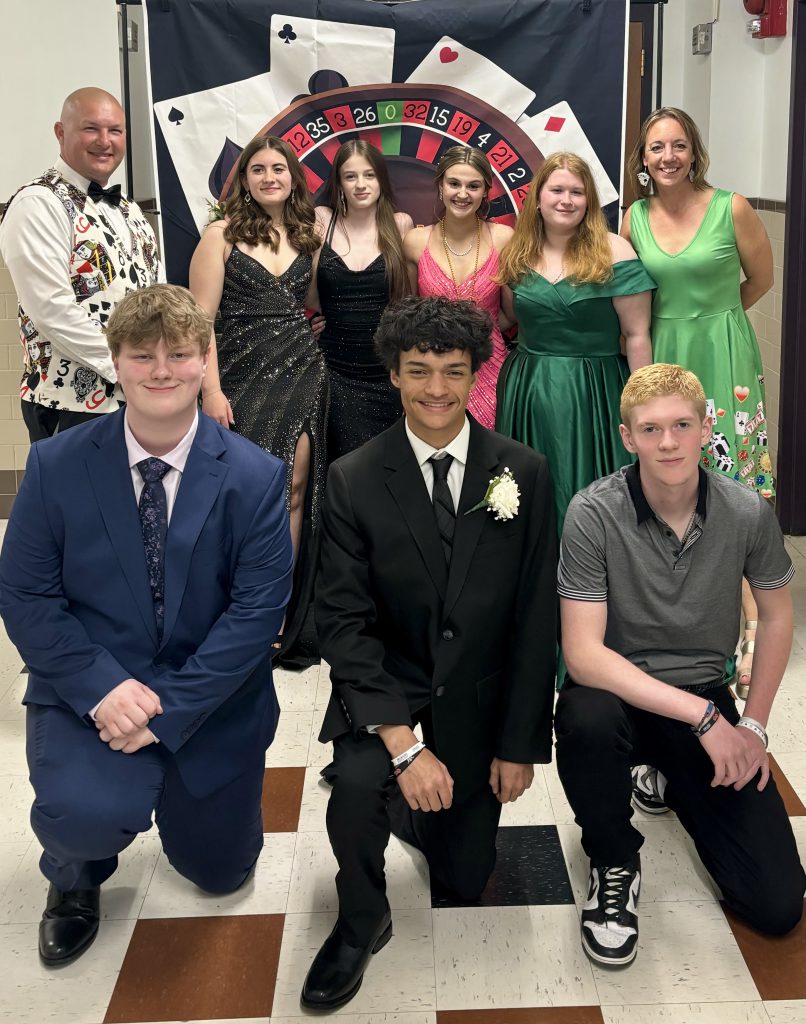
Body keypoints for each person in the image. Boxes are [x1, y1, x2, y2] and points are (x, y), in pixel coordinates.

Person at [0, 284, 293, 967]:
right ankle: (73, 879)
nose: (162, 369)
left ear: (204, 359)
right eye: (142, 354)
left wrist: (167, 711)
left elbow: (256, 614)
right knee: (84, 816)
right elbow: (26, 594)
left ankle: (190, 804)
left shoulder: (254, 477)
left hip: (209, 698)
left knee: (219, 871)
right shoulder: (55, 466)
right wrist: (104, 690)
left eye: (180, 353)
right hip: (92, 692)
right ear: (117, 362)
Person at [301, 295, 558, 1011]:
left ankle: (426, 812)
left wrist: (519, 744)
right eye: (418, 371)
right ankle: (360, 918)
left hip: (478, 700)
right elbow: (343, 624)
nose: (437, 390)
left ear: (477, 371)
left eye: (453, 371)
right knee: (356, 787)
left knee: (466, 878)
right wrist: (402, 746)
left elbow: (537, 618)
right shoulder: (354, 476)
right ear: (392, 374)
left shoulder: (524, 472)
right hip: (392, 693)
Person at [554, 363, 804, 968]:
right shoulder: (593, 513)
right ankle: (614, 860)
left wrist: (754, 728)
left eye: (682, 425)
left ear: (705, 426)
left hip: (702, 693)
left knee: (777, 905)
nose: (667, 442)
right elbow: (584, 655)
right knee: (583, 717)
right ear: (626, 436)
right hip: (620, 694)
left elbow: (775, 617)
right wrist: (705, 720)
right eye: (650, 429)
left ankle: (662, 775)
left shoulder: (747, 512)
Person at [622, 107, 775, 700]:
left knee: (733, 482)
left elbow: (759, 278)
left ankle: (751, 626)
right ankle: (682, 620)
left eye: (678, 145)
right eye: (656, 147)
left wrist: (719, 320)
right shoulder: (633, 217)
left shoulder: (731, 207)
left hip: (724, 353)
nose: (667, 157)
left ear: (695, 151)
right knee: (679, 481)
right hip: (664, 352)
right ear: (643, 159)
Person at [189, 134, 327, 666]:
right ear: (243, 180)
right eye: (258, 170)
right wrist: (212, 389)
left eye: (279, 168)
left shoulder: (305, 235)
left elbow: (311, 304)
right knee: (242, 497)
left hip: (301, 372)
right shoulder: (220, 236)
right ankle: (233, 610)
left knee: (294, 488)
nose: (270, 177)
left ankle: (276, 612)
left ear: (293, 177)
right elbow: (200, 321)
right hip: (240, 378)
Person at [495, 152, 654, 534]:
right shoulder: (517, 253)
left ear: (589, 201)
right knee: (529, 499)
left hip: (594, 392)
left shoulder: (615, 251)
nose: (566, 200)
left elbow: (636, 335)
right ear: (538, 197)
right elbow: (507, 318)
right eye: (557, 190)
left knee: (591, 496)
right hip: (528, 390)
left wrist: (644, 406)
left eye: (577, 192)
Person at [0, 87, 162, 442]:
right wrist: (128, 368)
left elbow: (157, 300)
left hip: (137, 397)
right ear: (61, 133)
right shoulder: (37, 203)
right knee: (74, 499)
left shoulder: (131, 210)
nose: (105, 141)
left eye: (115, 130)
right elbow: (51, 309)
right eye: (91, 129)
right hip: (71, 404)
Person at [311, 140, 412, 461]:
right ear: (338, 183)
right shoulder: (322, 221)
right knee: (343, 467)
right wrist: (312, 320)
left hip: (389, 374)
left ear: (381, 179)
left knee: (389, 467)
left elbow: (407, 299)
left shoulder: (401, 225)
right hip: (335, 372)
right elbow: (307, 290)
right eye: (350, 176)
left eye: (369, 175)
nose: (360, 184)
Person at [403, 146, 513, 430]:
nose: (463, 194)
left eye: (473, 186)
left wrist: (479, 328)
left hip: (489, 364)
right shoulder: (415, 241)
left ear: (485, 192)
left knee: (491, 458)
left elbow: (511, 314)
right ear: (440, 187)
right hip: (432, 366)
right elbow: (407, 314)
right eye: (454, 184)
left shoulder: (504, 239)